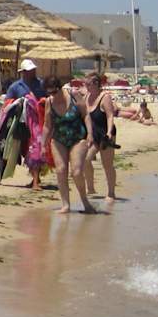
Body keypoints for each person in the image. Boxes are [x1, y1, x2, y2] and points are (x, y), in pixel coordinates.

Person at [44, 77, 94, 214]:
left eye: (54, 92)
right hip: (58, 139)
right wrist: (43, 144)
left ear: (60, 88)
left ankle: (85, 201)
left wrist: (90, 134)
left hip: (78, 137)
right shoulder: (49, 102)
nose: (53, 95)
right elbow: (47, 125)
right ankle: (65, 205)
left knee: (76, 172)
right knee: (61, 170)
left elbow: (86, 115)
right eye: (49, 93)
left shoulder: (74, 95)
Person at [82, 74, 119, 201]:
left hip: (105, 134)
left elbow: (110, 116)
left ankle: (111, 193)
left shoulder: (105, 97)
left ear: (96, 84)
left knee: (107, 164)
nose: (86, 86)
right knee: (85, 159)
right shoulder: (86, 97)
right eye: (85, 84)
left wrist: (109, 132)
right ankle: (91, 188)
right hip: (92, 134)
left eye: (88, 84)